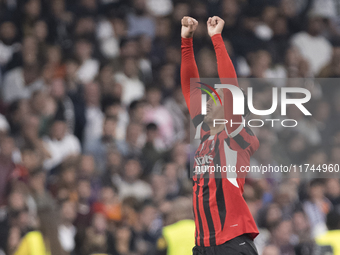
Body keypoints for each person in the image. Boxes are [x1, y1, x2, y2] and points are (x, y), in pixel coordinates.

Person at [180, 16, 259, 254]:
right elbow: (190, 86)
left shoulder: (237, 137)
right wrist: (186, 41)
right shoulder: (206, 133)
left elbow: (230, 85)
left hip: (232, 241)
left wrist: (216, 38)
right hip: (203, 245)